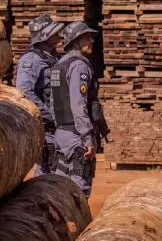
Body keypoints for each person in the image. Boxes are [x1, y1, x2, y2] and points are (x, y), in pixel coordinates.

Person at [50, 21, 108, 198]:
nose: (91, 41)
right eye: (86, 37)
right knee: (78, 194)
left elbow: (53, 103)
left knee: (60, 193)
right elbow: (78, 104)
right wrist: (88, 138)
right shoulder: (79, 66)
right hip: (77, 137)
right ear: (74, 42)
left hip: (61, 136)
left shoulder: (59, 66)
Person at [16, 14, 65, 176]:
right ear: (44, 36)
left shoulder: (56, 58)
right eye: (54, 32)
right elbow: (24, 92)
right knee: (47, 171)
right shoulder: (31, 60)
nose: (59, 34)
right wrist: (48, 115)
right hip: (46, 128)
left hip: (59, 127)